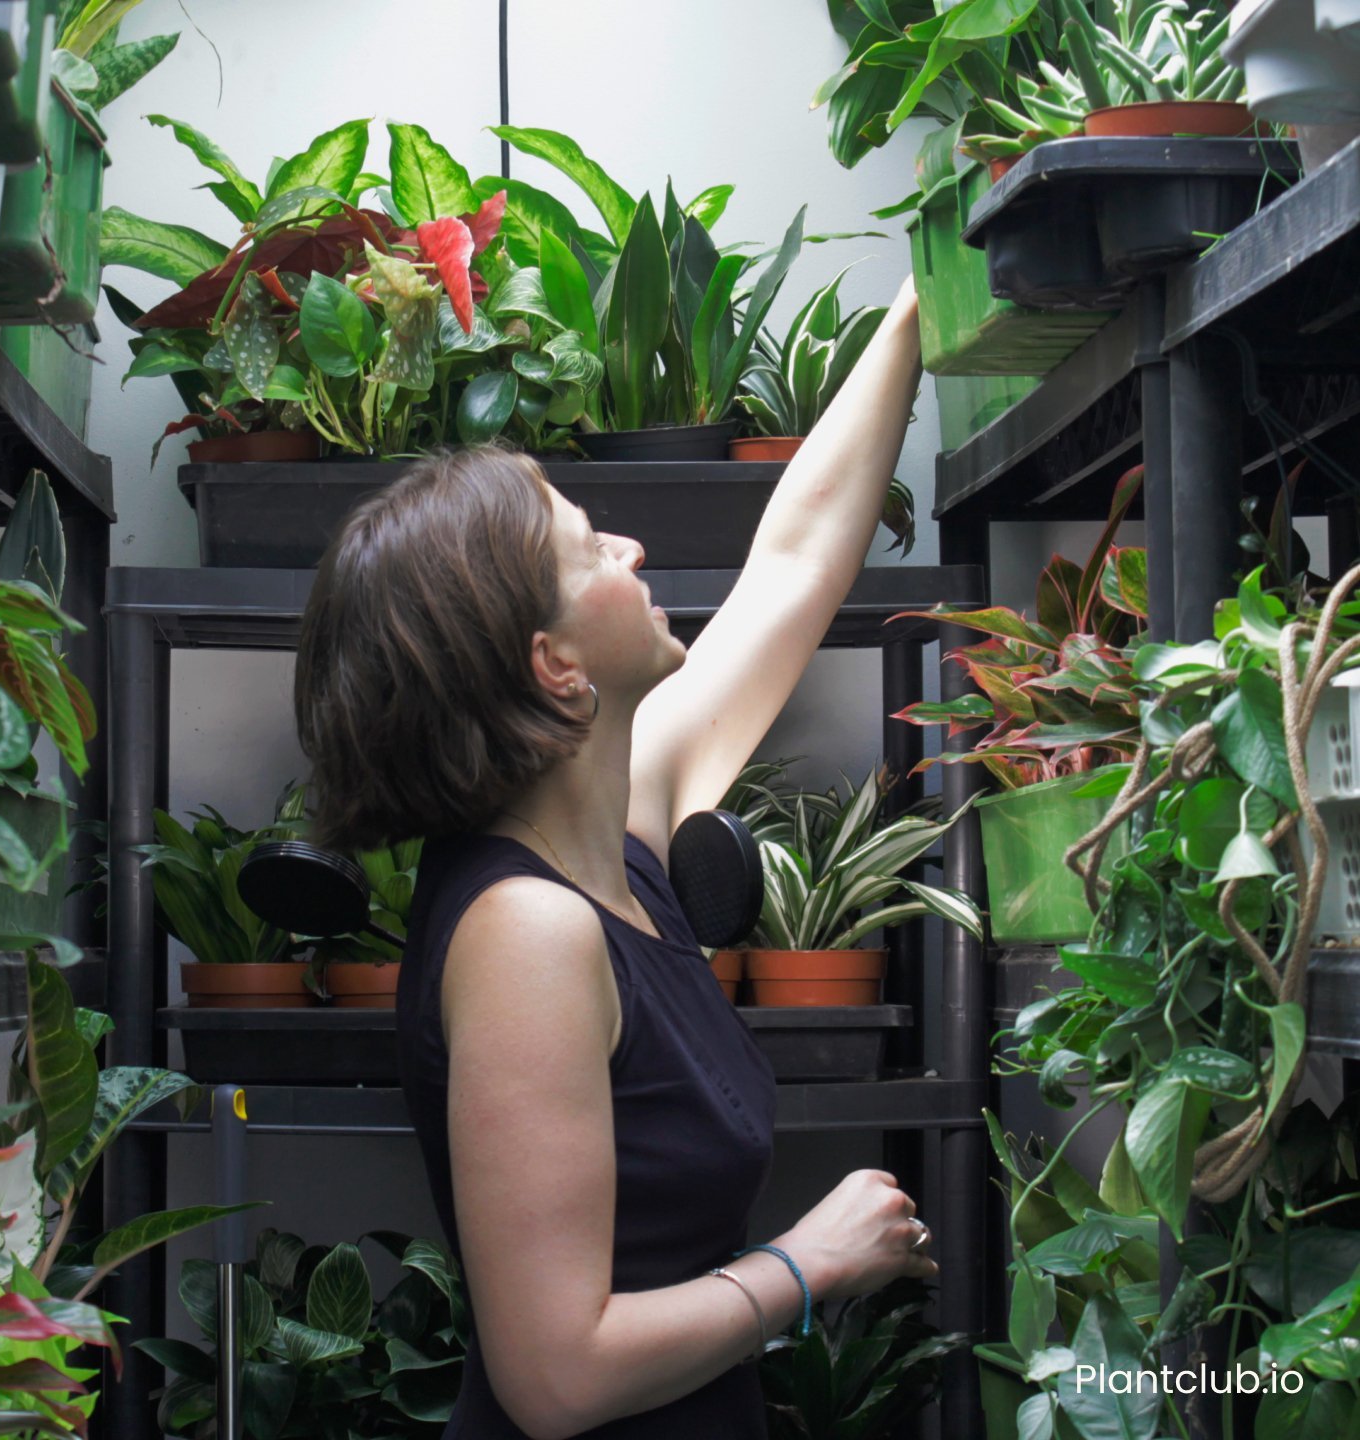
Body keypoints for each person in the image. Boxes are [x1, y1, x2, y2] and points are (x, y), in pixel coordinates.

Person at [294, 277, 937, 1439]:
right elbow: (555, 1377)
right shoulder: (527, 934)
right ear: (554, 665)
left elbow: (795, 560)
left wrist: (916, 309)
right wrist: (808, 1264)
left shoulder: (614, 848)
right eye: (594, 544)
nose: (634, 547)